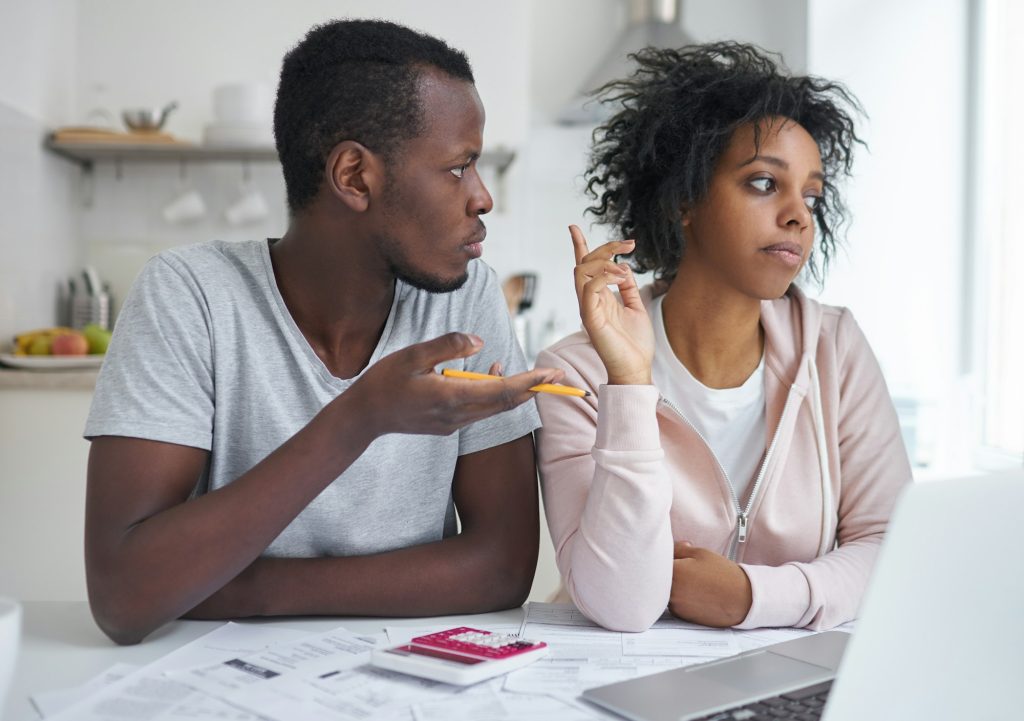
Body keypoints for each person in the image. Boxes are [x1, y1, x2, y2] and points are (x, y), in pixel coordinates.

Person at [83, 19, 564, 645]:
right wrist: (359, 417)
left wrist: (241, 587)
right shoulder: (190, 294)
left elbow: (500, 567)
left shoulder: (467, 299)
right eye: (458, 168)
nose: (481, 198)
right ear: (355, 177)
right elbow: (124, 598)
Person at [535, 42, 911, 633]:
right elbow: (620, 604)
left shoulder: (834, 348)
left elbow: (891, 547)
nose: (799, 215)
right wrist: (630, 385)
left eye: (811, 195)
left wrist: (753, 596)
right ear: (685, 199)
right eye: (764, 183)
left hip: (788, 680)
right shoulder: (576, 375)